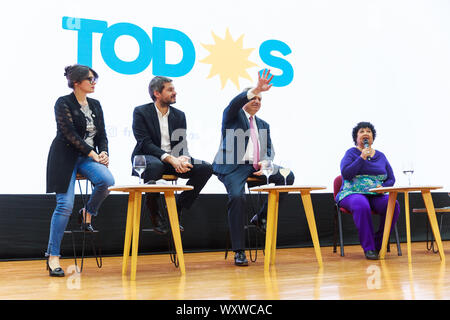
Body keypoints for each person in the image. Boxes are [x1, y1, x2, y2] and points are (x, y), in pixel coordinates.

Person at [212, 70, 295, 266]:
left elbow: (268, 149)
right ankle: (239, 251)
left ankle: (260, 217)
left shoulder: (264, 124)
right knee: (238, 197)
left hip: (257, 167)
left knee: (286, 176)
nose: (257, 101)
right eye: (254, 98)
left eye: (260, 99)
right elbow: (233, 104)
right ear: (245, 100)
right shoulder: (232, 116)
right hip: (234, 166)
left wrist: (266, 162)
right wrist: (256, 88)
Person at [45, 64, 115, 276]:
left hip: (87, 157)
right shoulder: (63, 102)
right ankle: (53, 255)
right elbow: (69, 134)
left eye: (95, 79)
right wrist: (93, 153)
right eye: (90, 79)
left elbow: (102, 134)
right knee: (64, 205)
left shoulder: (95, 104)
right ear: (76, 82)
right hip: (64, 156)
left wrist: (103, 152)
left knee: (106, 181)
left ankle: (87, 213)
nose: (94, 83)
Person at [131, 76, 213, 234]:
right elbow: (145, 143)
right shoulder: (141, 112)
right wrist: (171, 159)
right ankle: (155, 214)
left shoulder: (179, 115)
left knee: (206, 168)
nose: (175, 92)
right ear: (157, 93)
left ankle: (176, 208)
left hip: (173, 160)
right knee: (155, 165)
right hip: (147, 157)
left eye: (173, 89)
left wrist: (183, 158)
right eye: (170, 90)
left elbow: (182, 143)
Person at [336, 121, 400, 260]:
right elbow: (346, 174)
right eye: (362, 131)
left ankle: (378, 243)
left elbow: (391, 178)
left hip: (375, 194)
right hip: (352, 193)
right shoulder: (351, 153)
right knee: (361, 204)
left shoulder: (381, 156)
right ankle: (369, 248)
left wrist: (383, 187)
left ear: (372, 137)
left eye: (368, 131)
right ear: (356, 138)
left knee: (393, 205)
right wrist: (362, 158)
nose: (366, 133)